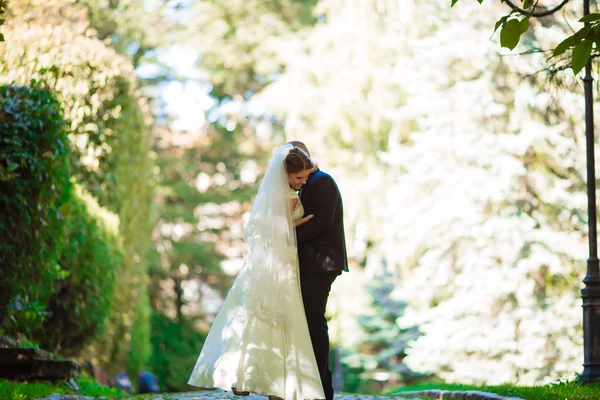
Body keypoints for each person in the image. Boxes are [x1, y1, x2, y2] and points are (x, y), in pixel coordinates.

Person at [188, 144, 324, 400]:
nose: (303, 181)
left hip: (265, 263)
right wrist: (302, 221)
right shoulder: (288, 196)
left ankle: (243, 378)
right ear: (285, 174)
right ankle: (275, 384)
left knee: (253, 318)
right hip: (281, 265)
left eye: (305, 177)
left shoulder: (273, 193)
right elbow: (280, 228)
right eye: (299, 177)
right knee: (278, 320)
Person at [288, 141, 348, 400]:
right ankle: (311, 386)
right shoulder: (305, 184)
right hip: (311, 263)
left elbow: (323, 223)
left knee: (314, 322)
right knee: (309, 323)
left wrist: (286, 236)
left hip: (321, 264)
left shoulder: (322, 181)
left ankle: (323, 390)